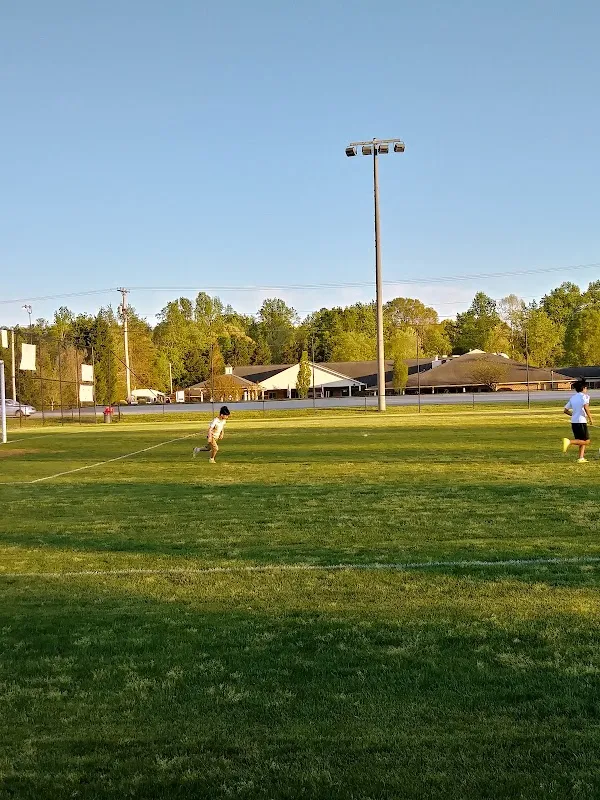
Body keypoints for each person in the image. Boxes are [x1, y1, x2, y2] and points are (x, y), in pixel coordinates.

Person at [562, 381, 593, 463]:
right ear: (584, 388)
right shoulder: (585, 397)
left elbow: (565, 410)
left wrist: (574, 415)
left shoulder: (573, 398)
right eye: (586, 388)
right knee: (586, 441)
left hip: (574, 421)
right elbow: (586, 407)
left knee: (581, 440)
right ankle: (569, 441)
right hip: (581, 421)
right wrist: (590, 418)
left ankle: (581, 458)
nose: (586, 390)